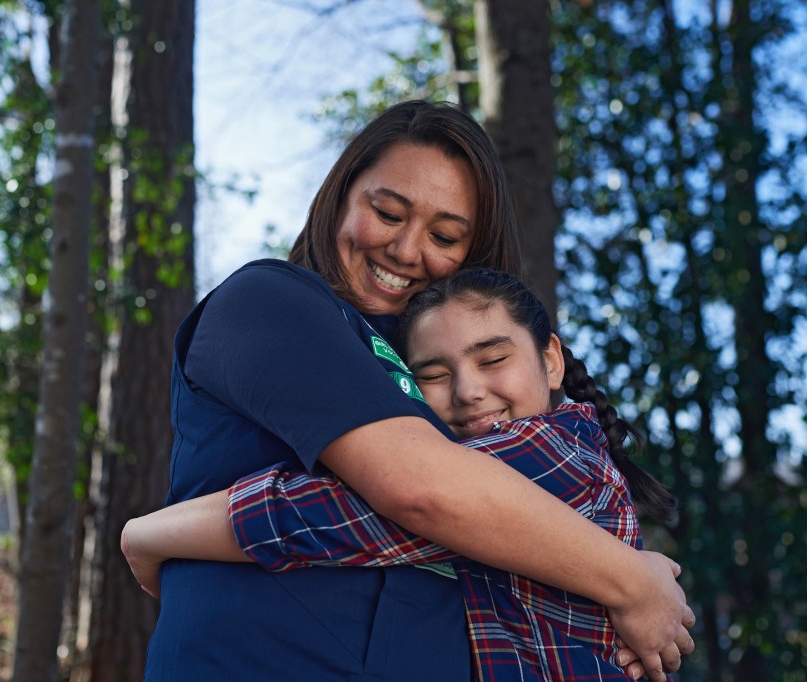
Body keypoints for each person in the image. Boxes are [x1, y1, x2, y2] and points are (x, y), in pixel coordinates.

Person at [133, 100, 694, 682]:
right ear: (340, 196)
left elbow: (423, 509)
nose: (405, 250)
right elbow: (420, 492)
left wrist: (155, 533)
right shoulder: (273, 301)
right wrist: (632, 579)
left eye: (444, 235)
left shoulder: (527, 434)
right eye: (387, 213)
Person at [210, 267, 679, 680]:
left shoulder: (556, 452)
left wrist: (166, 530)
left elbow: (333, 515)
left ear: (551, 360)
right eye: (432, 375)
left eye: (493, 360)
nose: (467, 391)